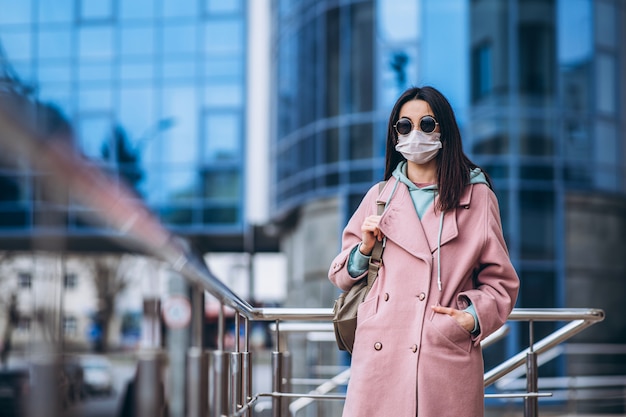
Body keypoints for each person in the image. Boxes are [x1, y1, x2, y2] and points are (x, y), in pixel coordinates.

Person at [328, 86, 520, 417]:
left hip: (441, 353)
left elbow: (501, 283)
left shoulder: (477, 197)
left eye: (427, 124)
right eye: (405, 126)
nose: (415, 134)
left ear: (444, 128)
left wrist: (469, 319)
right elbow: (340, 275)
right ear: (394, 135)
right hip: (381, 354)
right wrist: (365, 248)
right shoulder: (380, 195)